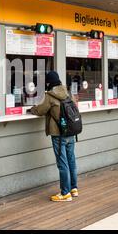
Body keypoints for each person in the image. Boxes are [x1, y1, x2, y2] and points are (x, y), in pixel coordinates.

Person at [30, 71, 78, 202]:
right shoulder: (67, 93)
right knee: (71, 161)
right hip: (70, 132)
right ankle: (73, 188)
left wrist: (31, 109)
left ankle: (65, 193)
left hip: (58, 134)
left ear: (49, 82)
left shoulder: (50, 96)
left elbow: (40, 111)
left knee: (62, 164)